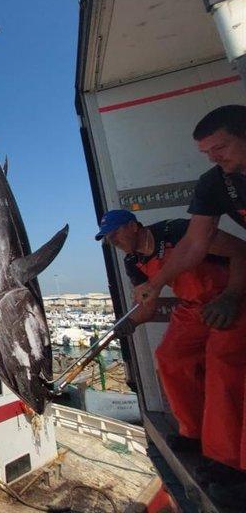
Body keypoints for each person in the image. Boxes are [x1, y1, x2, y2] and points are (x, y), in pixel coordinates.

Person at [96, 209, 246, 505]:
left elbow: (242, 252)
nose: (113, 240)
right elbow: (147, 307)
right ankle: (194, 433)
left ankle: (230, 462)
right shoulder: (133, 262)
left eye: (115, 233)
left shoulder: (177, 231)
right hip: (194, 309)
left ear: (132, 225)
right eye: (107, 238)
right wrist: (131, 322)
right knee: (170, 358)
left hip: (232, 298)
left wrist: (232, 296)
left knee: (222, 366)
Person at [135, 105, 246, 323]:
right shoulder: (214, 183)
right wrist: (155, 284)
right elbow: (194, 243)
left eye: (220, 147)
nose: (213, 158)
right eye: (206, 153)